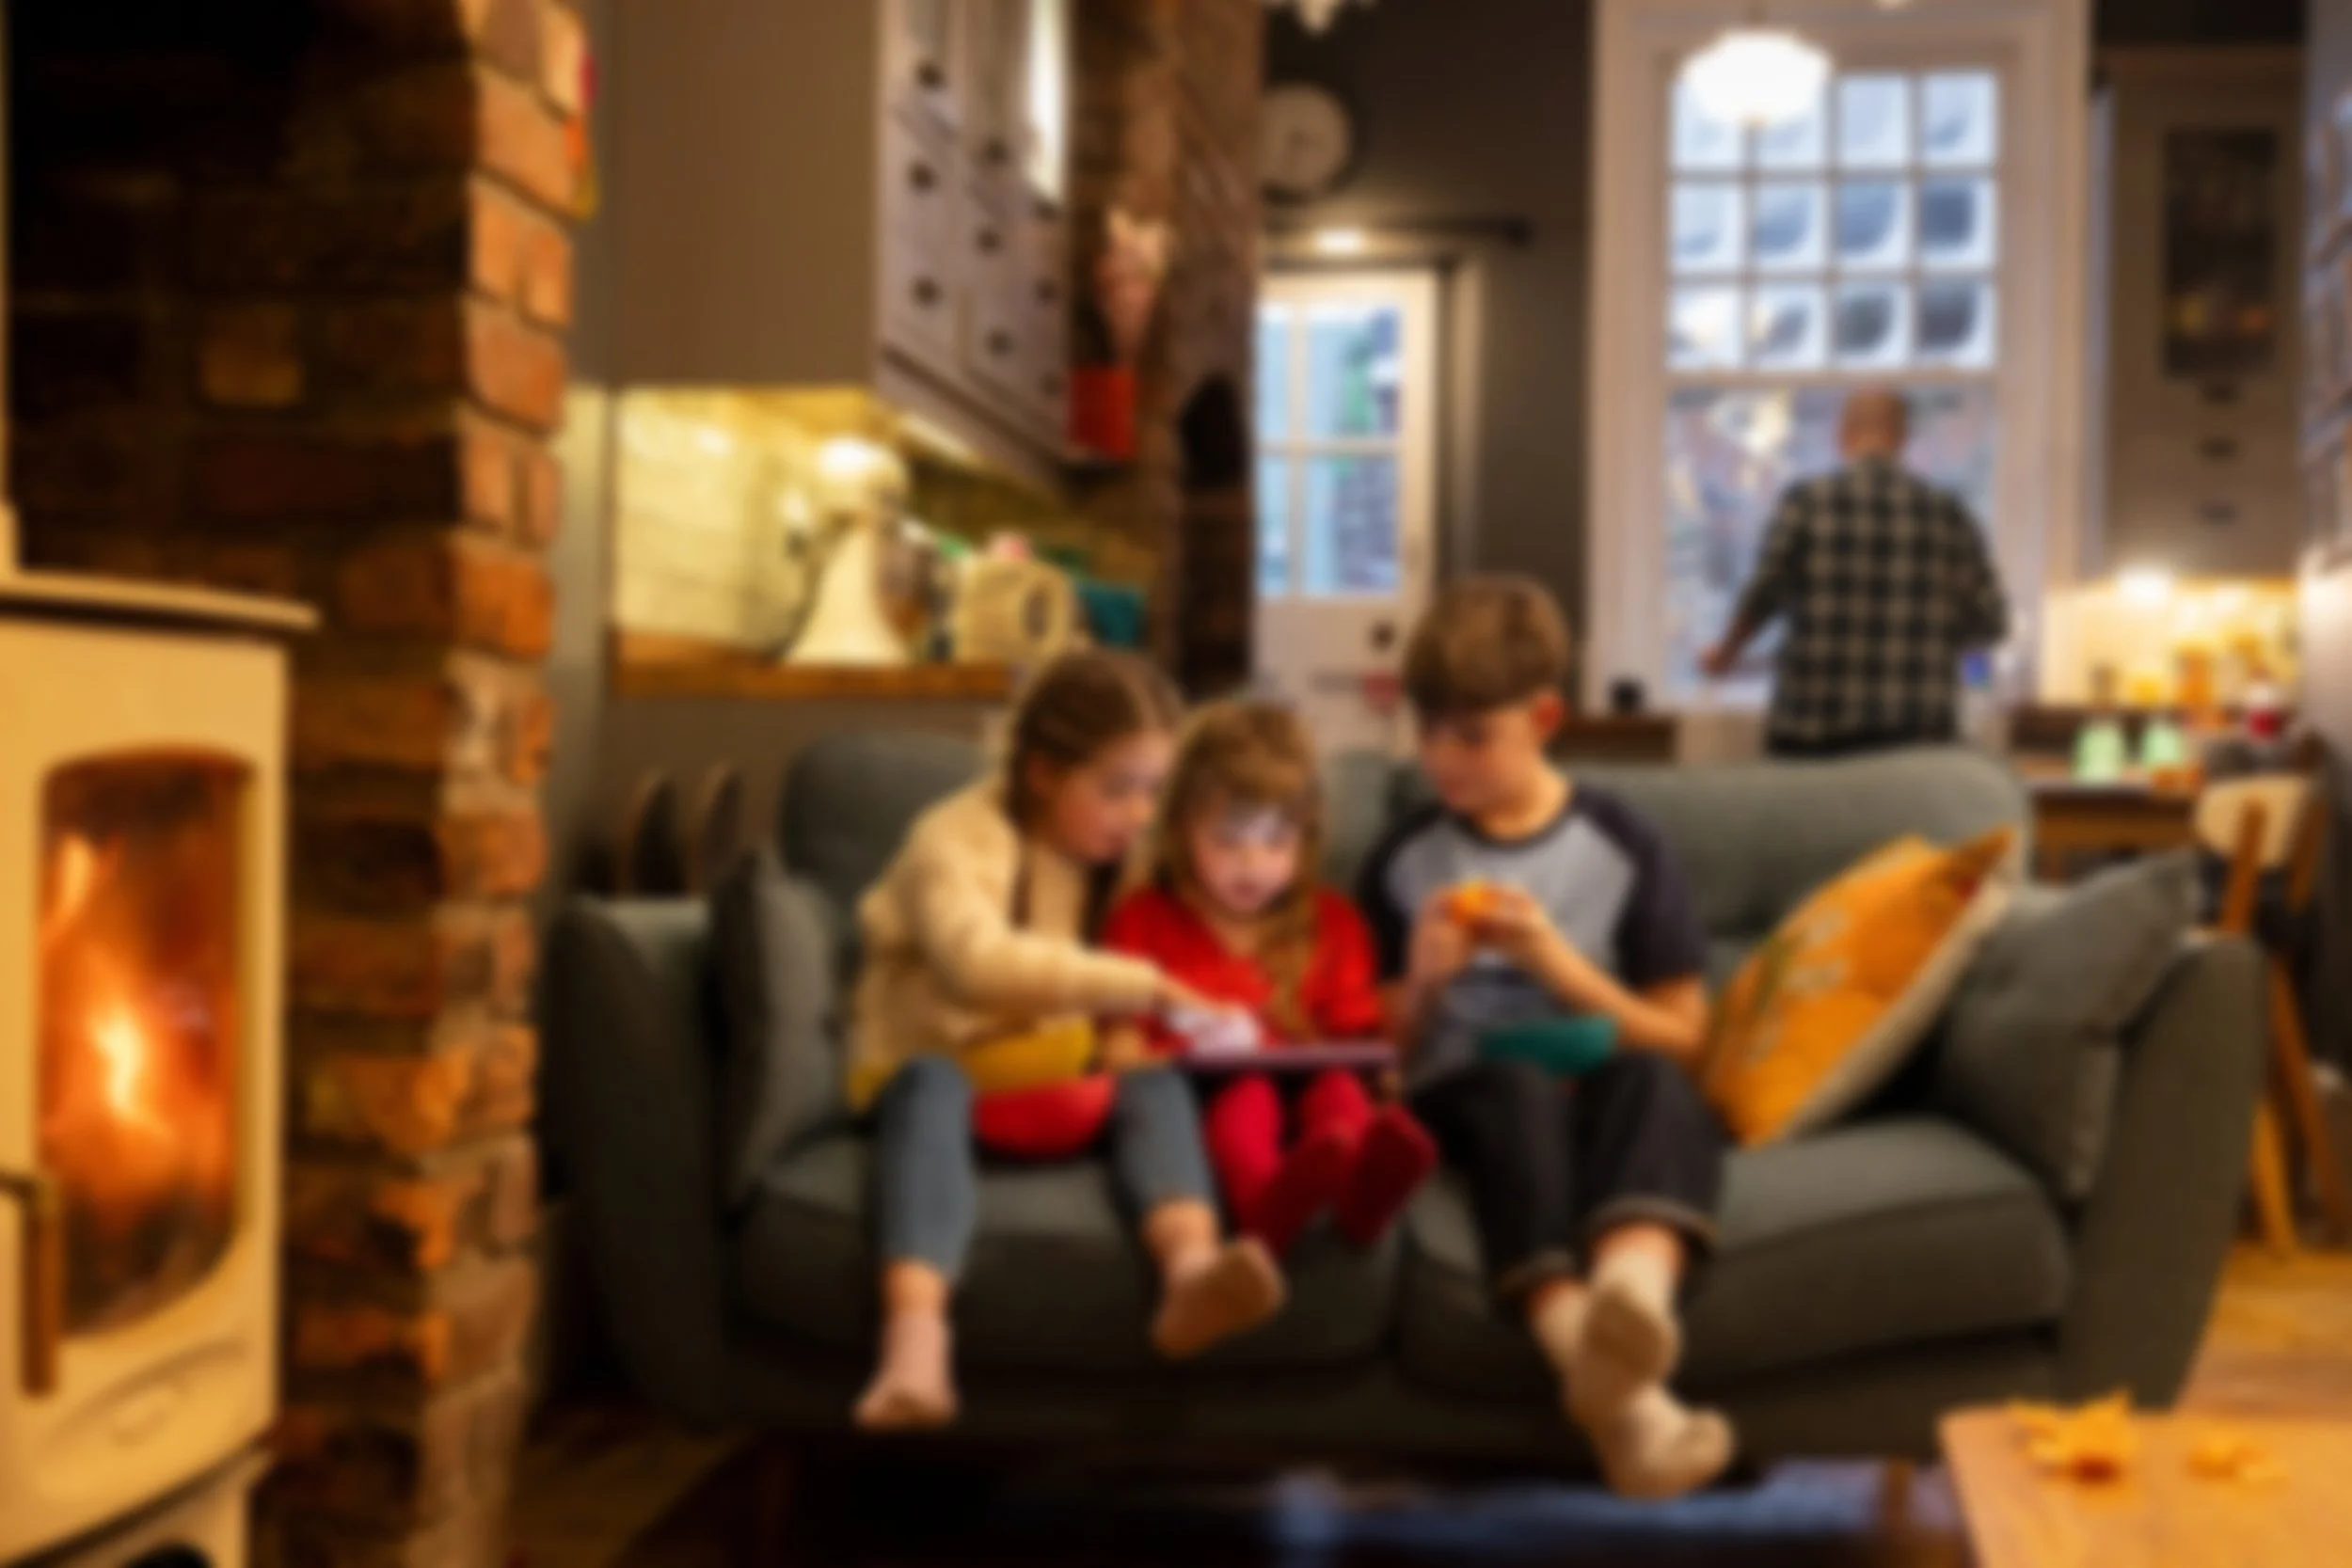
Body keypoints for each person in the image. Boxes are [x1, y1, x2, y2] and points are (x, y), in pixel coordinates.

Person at [1359, 576, 1734, 1499]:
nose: (1442, 758)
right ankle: (1607, 1377)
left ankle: (1630, 1303)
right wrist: (1425, 980)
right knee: (1515, 1086)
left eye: (1472, 736)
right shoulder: (1404, 857)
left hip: (1598, 1085)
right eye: (1428, 730)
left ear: (1544, 717)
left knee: (1656, 1083)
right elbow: (1379, 1067)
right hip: (1469, 1097)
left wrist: (1557, 964)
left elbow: (1686, 1043)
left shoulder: (1624, 844)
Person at [845, 651, 1285, 1433]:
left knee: (1153, 1081)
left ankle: (1190, 1276)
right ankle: (914, 1345)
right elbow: (974, 965)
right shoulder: (954, 838)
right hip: (940, 1071)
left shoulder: (1124, 856)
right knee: (928, 1083)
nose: (1139, 813)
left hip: (1048, 1075)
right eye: (1117, 788)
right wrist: (1142, 983)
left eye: (1152, 789)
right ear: (1043, 772)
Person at [1101, 701, 1438, 1260]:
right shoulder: (1143, 918)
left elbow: (1357, 1038)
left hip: (1312, 1087)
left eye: (1277, 843)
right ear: (1183, 830)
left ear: (1306, 840)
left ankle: (1359, 1198)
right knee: (1248, 1095)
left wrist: (1380, 1075)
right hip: (1207, 1092)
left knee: (1339, 1090)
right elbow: (1118, 1042)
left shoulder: (1334, 922)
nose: (1252, 865)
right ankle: (1265, 1206)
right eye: (1228, 842)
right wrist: (1163, 1051)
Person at [1701, 386, 2010, 759]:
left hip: (1813, 739)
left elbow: (1765, 593)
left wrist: (1726, 654)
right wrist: (1951, 654)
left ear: (1842, 434)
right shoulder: (1948, 515)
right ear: (1902, 439)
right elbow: (1990, 623)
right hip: (1918, 745)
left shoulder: (1807, 503)